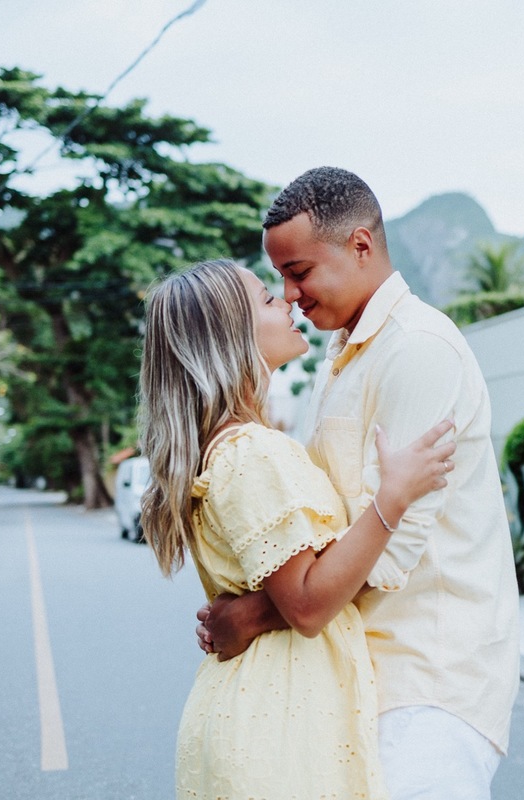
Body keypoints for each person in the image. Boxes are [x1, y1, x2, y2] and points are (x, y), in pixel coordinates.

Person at [196, 167, 521, 799]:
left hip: (428, 679)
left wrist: (252, 615)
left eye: (299, 272)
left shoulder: (418, 349)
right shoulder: (341, 355)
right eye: (282, 280)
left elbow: (394, 546)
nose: (289, 295)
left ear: (361, 246)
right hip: (356, 674)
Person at [138, 258, 457, 799]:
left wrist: (244, 615)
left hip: (256, 709)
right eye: (266, 299)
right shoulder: (253, 452)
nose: (285, 301)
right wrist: (393, 497)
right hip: (277, 720)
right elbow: (307, 604)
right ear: (230, 337)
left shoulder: (229, 447)